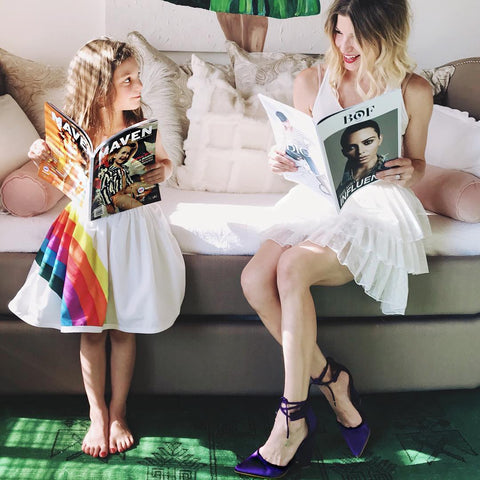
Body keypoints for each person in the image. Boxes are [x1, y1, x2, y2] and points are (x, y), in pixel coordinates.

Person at [235, 0, 433, 477]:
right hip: (319, 201)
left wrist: (410, 170)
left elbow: (420, 164)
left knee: (292, 267)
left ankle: (292, 418)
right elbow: (301, 154)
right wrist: (282, 160)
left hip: (376, 206)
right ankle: (332, 380)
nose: (345, 47)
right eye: (339, 34)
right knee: (253, 279)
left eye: (357, 37)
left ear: (387, 35)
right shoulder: (311, 81)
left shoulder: (414, 89)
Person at [8, 38, 186, 459]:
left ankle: (120, 412)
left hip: (132, 231)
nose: (138, 86)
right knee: (90, 329)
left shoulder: (138, 129)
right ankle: (97, 414)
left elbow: (166, 164)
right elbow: (59, 175)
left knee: (123, 327)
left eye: (137, 77)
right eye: (128, 80)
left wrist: (161, 168)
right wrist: (40, 155)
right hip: (88, 236)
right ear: (101, 87)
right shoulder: (75, 132)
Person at [335, 119, 387, 203]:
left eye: (368, 142)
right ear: (344, 152)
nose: (360, 151)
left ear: (379, 139)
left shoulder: (391, 170)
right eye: (352, 148)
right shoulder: (340, 184)